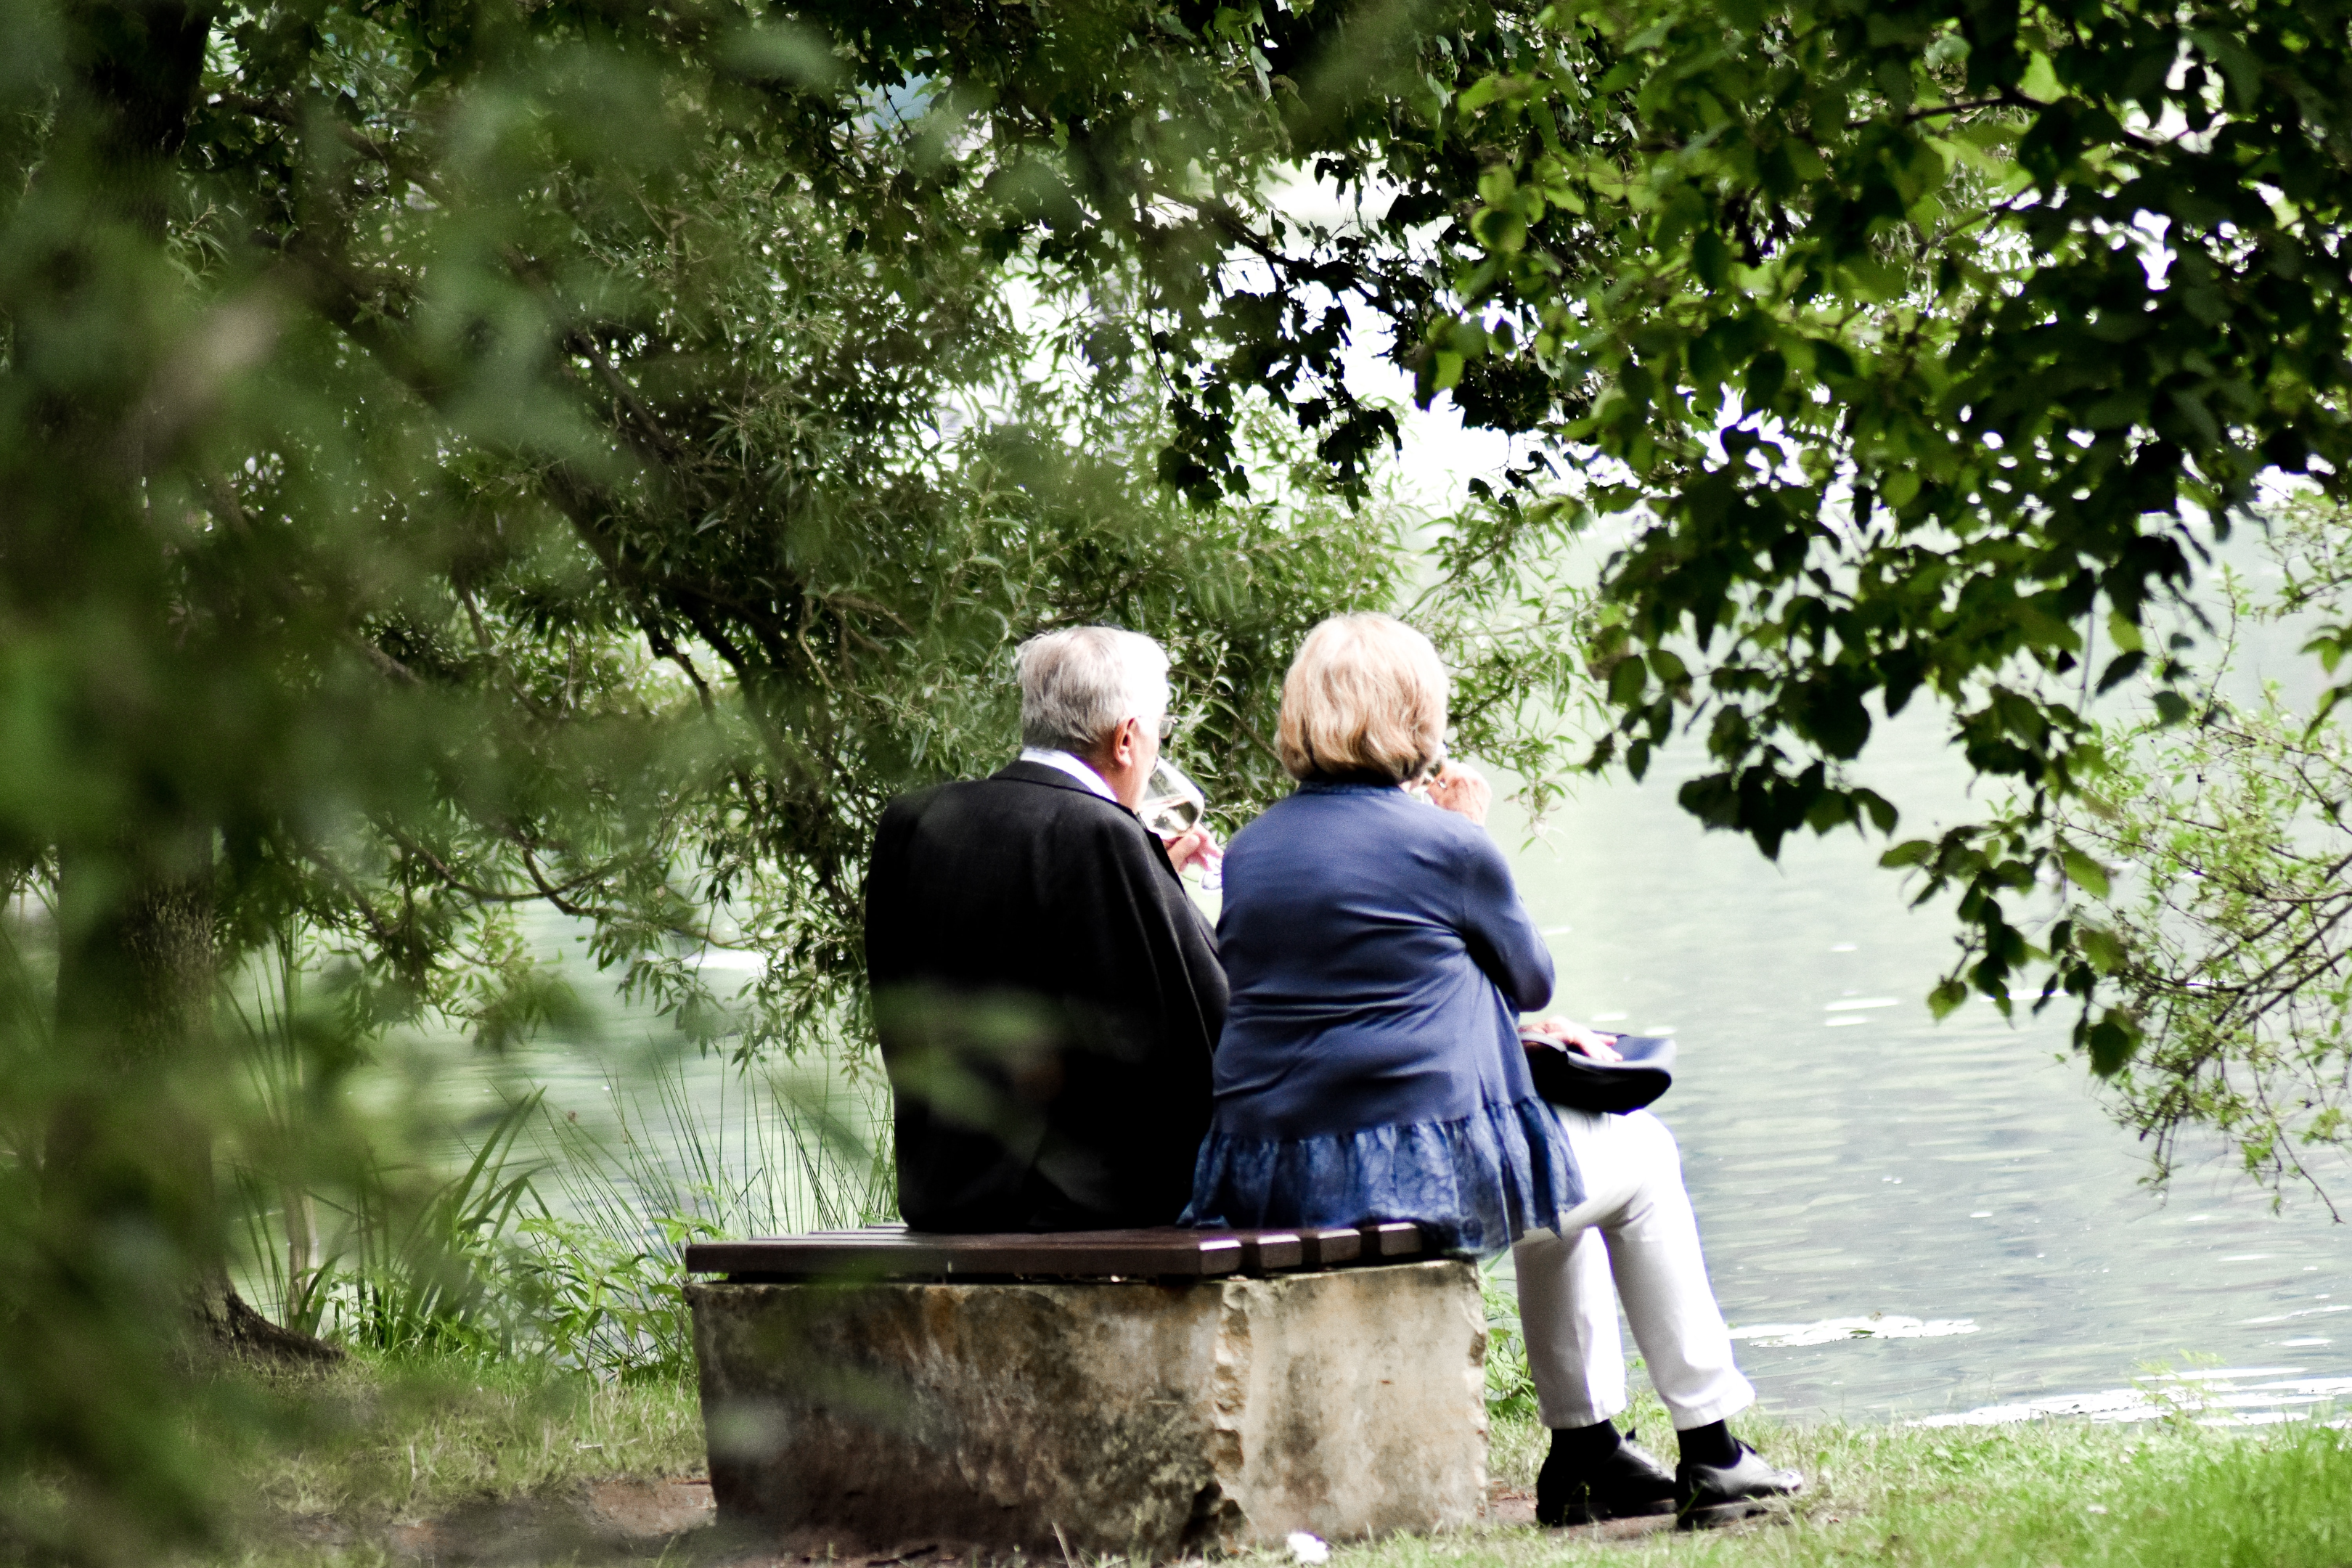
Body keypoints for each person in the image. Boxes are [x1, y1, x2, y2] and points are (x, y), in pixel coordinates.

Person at [1184, 612, 1802, 1528]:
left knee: (1567, 1180)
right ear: (1414, 713)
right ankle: (1711, 1446)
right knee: (1643, 1157)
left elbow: (1368, 980)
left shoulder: (1256, 850)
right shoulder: (1447, 844)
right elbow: (1530, 977)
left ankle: (1587, 1450)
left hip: (1271, 1169)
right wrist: (1470, 833)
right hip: (1401, 1177)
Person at [864, 625, 1226, 1233]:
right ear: (1129, 739)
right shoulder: (1103, 836)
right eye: (1160, 734)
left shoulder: (913, 823)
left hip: (943, 1195)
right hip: (1080, 1209)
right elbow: (1200, 1030)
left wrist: (1153, 871)